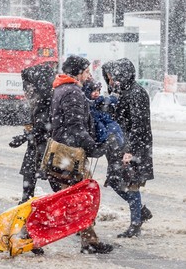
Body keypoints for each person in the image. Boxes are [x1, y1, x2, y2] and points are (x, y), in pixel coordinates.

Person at [50, 55, 113, 254]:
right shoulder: (72, 92)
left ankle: (90, 241)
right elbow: (76, 127)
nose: (88, 75)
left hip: (61, 152)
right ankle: (26, 232)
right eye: (86, 71)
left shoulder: (61, 88)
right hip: (70, 155)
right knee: (75, 199)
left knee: (76, 198)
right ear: (77, 72)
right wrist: (93, 146)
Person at [101, 58, 154, 238]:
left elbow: (138, 126)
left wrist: (130, 151)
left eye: (112, 78)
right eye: (107, 78)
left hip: (134, 148)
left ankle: (135, 224)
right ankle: (139, 211)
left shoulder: (136, 93)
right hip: (120, 146)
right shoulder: (120, 92)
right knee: (115, 181)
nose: (110, 82)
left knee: (131, 184)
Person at [9, 63, 61, 204]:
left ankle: (28, 203)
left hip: (48, 145)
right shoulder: (45, 95)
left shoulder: (46, 98)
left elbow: (43, 127)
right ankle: (26, 203)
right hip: (38, 144)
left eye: (29, 86)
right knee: (30, 174)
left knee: (53, 178)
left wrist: (24, 137)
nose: (26, 90)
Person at [82, 79, 124, 147]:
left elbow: (109, 100)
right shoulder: (88, 105)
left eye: (98, 90)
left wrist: (112, 99)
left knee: (113, 125)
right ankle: (112, 140)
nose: (96, 93)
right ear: (87, 92)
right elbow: (97, 123)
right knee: (102, 125)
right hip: (99, 134)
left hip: (105, 127)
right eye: (93, 91)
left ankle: (118, 141)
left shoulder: (99, 102)